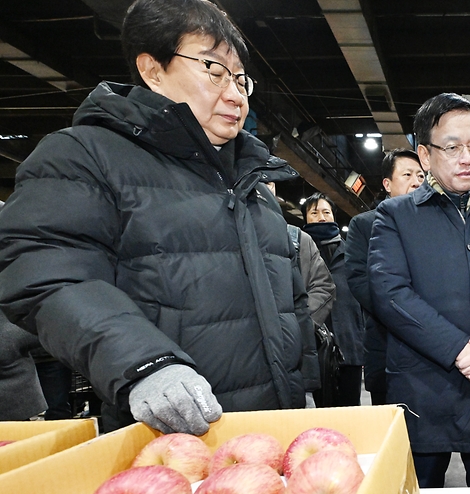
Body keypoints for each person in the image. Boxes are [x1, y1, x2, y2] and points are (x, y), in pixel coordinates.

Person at [0, 0, 314, 434]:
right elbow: (47, 275)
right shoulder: (84, 155)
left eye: (241, 79)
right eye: (213, 70)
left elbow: (291, 301)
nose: (234, 93)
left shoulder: (253, 184)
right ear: (152, 70)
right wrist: (145, 365)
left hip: (271, 430)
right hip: (165, 433)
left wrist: (307, 388)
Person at [368, 93, 470, 488]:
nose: (467, 157)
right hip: (426, 386)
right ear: (425, 156)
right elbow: (390, 292)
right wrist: (460, 349)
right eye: (453, 147)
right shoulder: (395, 216)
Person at [344, 149, 423, 405]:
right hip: (384, 337)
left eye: (421, 176)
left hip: (431, 342)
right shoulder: (363, 224)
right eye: (408, 174)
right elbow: (358, 278)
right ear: (387, 184)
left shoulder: (438, 225)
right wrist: (400, 312)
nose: (416, 181)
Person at [300, 193, 364, 407]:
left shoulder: (351, 254)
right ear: (305, 218)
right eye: (314, 212)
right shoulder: (296, 253)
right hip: (313, 348)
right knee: (318, 411)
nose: (321, 217)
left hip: (349, 345)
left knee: (350, 411)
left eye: (326, 212)